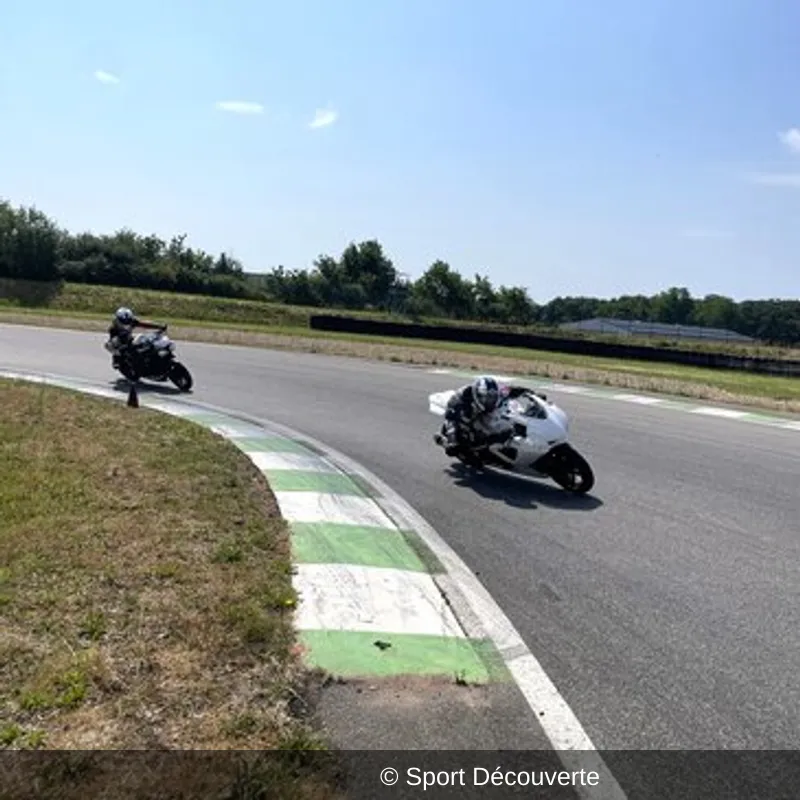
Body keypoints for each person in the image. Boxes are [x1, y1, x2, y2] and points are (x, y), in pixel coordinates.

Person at [436, 375, 517, 458]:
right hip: (461, 416)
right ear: (478, 394)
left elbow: (506, 390)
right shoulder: (462, 400)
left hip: (480, 412)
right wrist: (452, 441)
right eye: (487, 398)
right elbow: (451, 417)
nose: (490, 401)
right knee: (458, 444)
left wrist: (519, 391)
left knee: (497, 420)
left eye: (493, 397)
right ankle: (448, 441)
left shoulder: (493, 392)